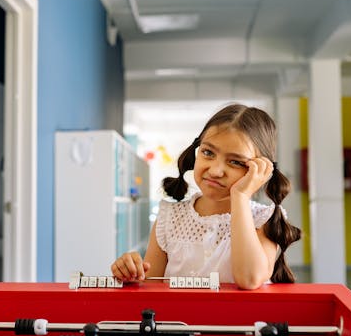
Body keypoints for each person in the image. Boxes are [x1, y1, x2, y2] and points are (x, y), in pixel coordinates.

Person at [111, 104, 301, 289]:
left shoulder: (263, 219)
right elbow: (151, 289)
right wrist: (132, 275)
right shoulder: (169, 217)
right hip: (179, 322)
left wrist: (241, 196)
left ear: (260, 170)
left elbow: (249, 279)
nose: (216, 171)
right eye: (208, 152)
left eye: (235, 162)